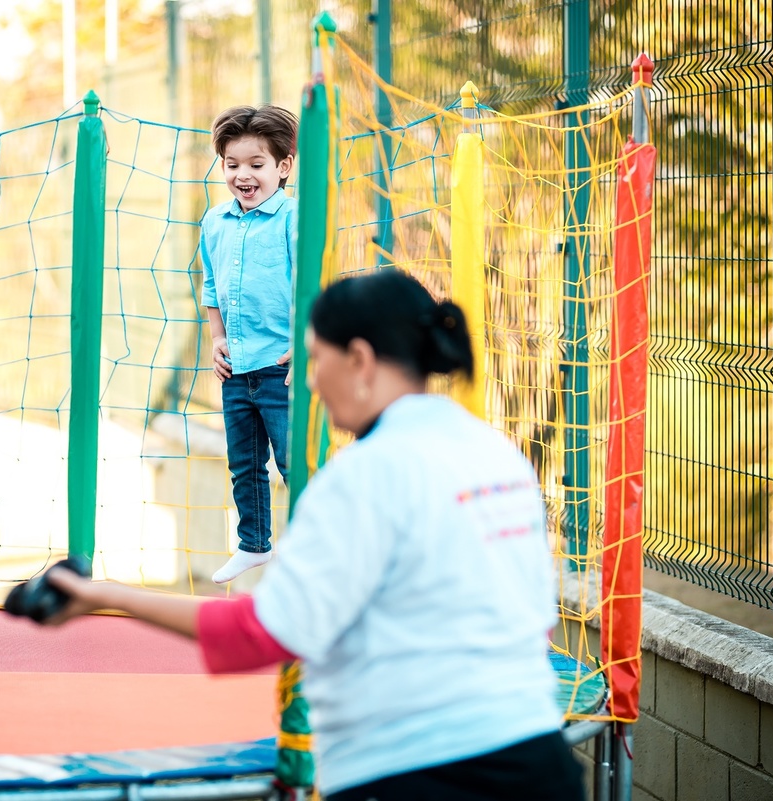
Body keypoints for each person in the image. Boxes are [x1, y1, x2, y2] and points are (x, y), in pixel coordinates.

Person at [37, 269, 585, 801]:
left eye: (315, 358)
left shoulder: (367, 473)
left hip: (416, 775)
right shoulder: (495, 454)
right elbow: (531, 622)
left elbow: (262, 632)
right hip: (542, 764)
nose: (309, 379)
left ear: (360, 360)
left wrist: (101, 596)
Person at [199, 103, 300, 584]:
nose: (243, 175)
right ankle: (253, 544)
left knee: (292, 461)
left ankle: (312, 548)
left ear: (282, 167)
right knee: (244, 464)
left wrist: (306, 344)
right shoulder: (214, 222)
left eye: (256, 165)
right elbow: (212, 289)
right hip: (237, 367)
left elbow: (309, 285)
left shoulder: (291, 218)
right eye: (232, 164)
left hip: (283, 365)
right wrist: (217, 338)